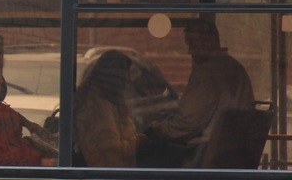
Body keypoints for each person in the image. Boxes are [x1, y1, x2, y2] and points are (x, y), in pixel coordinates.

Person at [148, 19, 254, 165]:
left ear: (209, 42)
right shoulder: (234, 67)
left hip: (202, 154)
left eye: (192, 44)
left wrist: (158, 129)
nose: (189, 51)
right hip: (228, 153)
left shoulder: (207, 72)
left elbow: (188, 123)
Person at [74, 49, 137, 167]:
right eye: (125, 76)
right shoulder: (96, 107)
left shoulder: (110, 102)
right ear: (114, 77)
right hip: (108, 179)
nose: (128, 81)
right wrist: (140, 141)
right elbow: (109, 150)